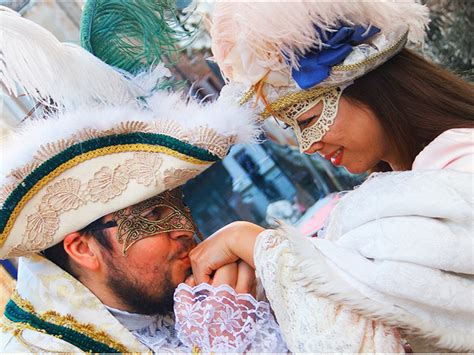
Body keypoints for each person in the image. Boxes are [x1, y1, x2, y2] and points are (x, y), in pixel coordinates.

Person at [189, 1, 474, 352]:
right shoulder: (400, 189)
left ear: (369, 87)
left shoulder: (463, 160)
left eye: (307, 120)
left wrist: (253, 243)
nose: (306, 146)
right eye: (292, 129)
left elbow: (386, 288)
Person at [0, 5, 288, 353]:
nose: (185, 228)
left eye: (179, 206)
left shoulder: (221, 299)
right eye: (154, 217)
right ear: (82, 248)